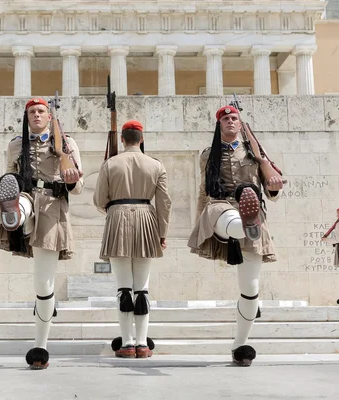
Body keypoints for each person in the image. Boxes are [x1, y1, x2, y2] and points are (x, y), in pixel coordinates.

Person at [0, 97, 84, 370]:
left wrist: (72, 178)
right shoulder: (17, 144)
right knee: (20, 199)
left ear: (49, 116)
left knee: (43, 286)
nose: (36, 115)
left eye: (41, 111)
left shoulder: (66, 144)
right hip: (27, 195)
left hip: (53, 207)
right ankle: (14, 213)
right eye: (32, 112)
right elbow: (9, 176)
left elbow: (78, 188)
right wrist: (12, 189)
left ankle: (40, 344)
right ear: (26, 116)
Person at [187, 105, 284, 367]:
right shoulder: (208, 155)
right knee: (230, 217)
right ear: (219, 125)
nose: (230, 121)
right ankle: (245, 224)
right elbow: (202, 191)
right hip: (220, 207)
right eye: (225, 119)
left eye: (234, 118)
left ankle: (240, 347)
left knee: (250, 290)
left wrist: (274, 186)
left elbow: (272, 188)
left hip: (250, 208)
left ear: (241, 125)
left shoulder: (255, 154)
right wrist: (199, 223)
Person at [93, 120, 172, 359]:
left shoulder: (110, 163)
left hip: (117, 218)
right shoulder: (156, 165)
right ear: (141, 138)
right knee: (142, 289)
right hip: (147, 219)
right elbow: (165, 203)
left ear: (122, 140)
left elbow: (98, 200)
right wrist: (162, 233)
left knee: (123, 288)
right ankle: (142, 343)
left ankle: (127, 343)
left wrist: (114, 208)